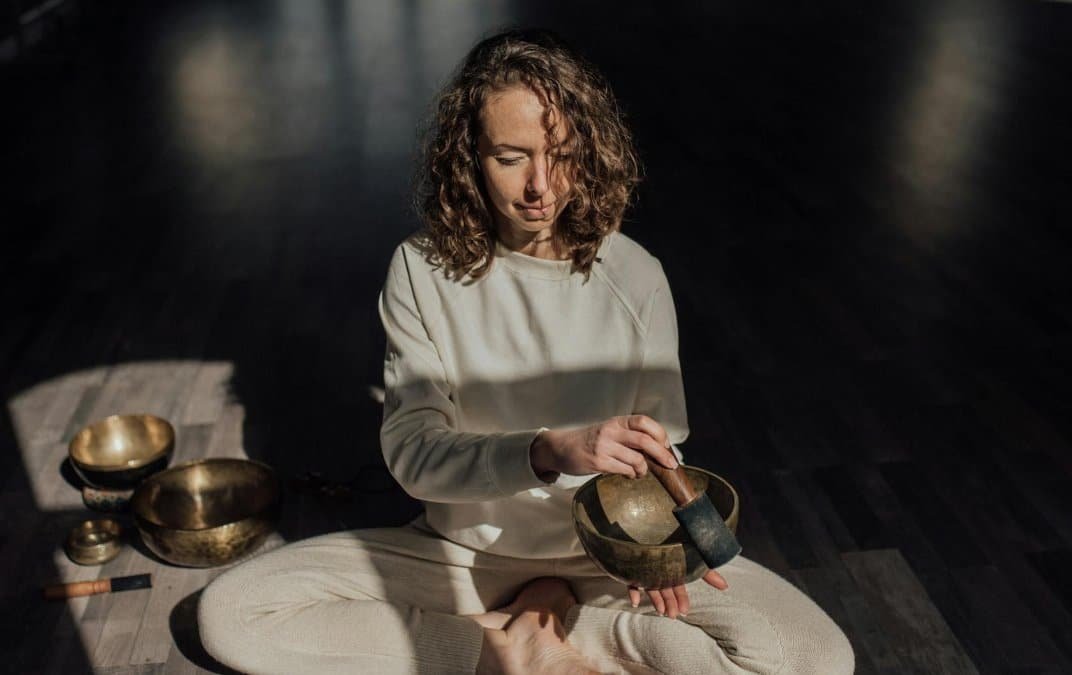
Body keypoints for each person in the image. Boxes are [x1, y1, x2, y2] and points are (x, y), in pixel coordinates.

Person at [199, 28, 855, 674]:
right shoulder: (421, 270)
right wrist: (544, 450)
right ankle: (510, 641)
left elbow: (662, 451)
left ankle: (548, 627)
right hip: (463, 560)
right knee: (234, 612)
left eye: (562, 153)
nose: (541, 185)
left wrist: (669, 546)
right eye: (510, 157)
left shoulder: (636, 275)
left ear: (590, 149)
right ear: (468, 159)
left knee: (817, 658)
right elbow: (412, 453)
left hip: (602, 561)